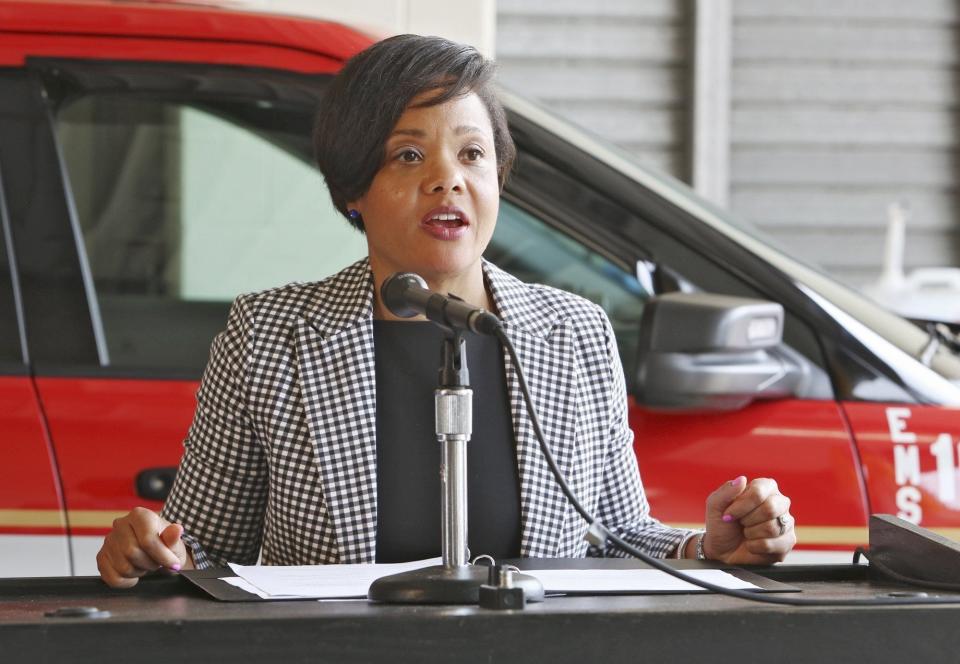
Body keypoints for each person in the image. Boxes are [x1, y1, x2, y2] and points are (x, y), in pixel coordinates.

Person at [96, 34, 796, 588]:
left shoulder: (573, 333)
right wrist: (152, 552)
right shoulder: (271, 336)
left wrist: (707, 546)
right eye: (408, 154)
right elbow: (204, 549)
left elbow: (614, 533)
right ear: (352, 190)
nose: (447, 179)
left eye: (472, 154)